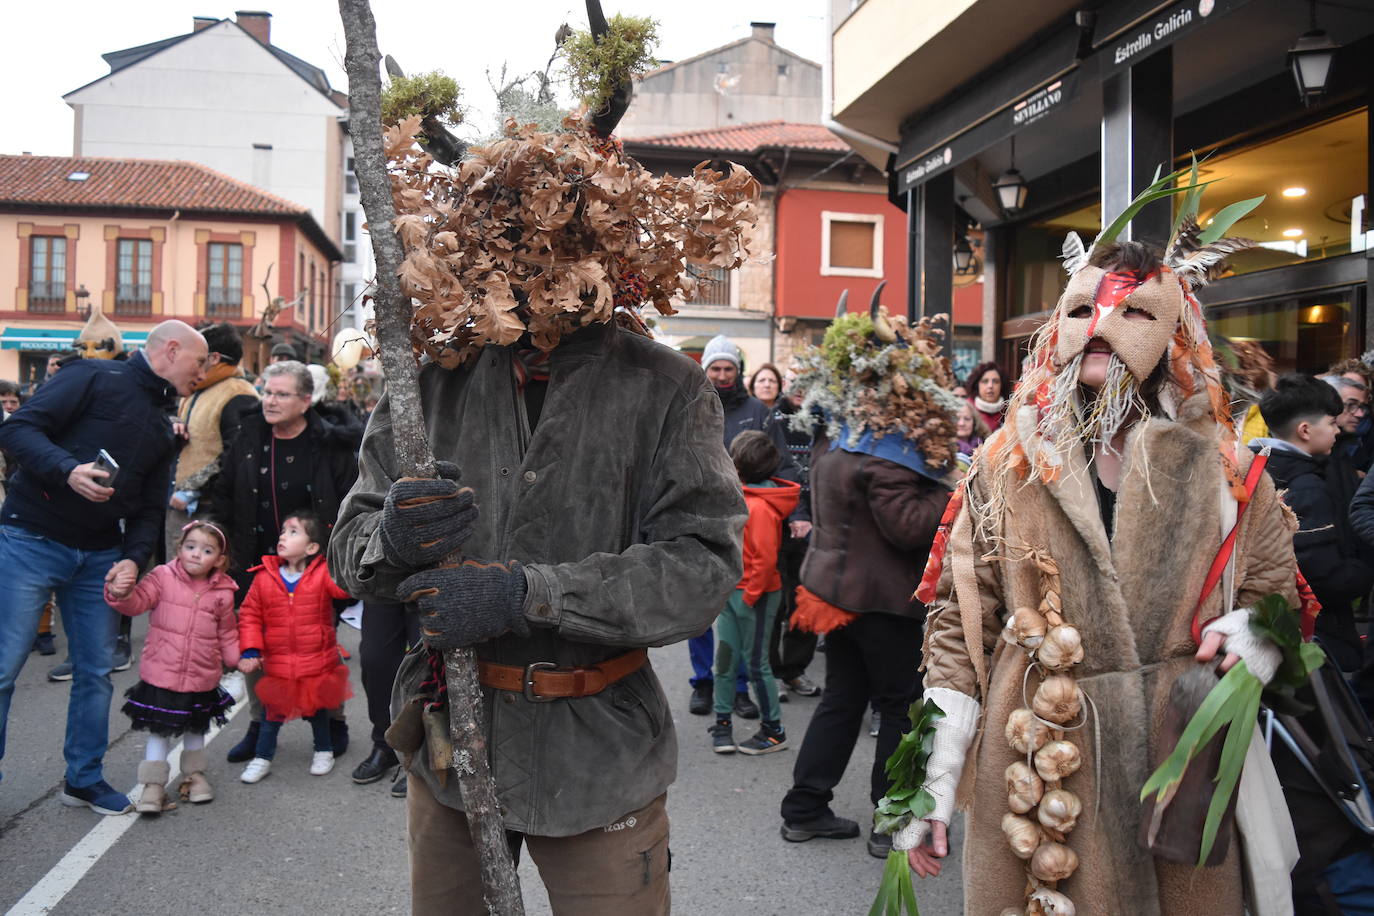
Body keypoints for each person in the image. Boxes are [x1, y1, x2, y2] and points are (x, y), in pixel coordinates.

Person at [330, 80, 751, 911]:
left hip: (598, 762)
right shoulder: (430, 386)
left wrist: (531, 591)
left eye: (558, 229)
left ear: (606, 236)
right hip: (453, 742)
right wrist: (396, 545)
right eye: (511, 230)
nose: (534, 253)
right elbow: (352, 540)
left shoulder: (667, 390)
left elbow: (702, 569)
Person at [906, 224, 1301, 915]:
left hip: (1181, 754)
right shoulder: (1005, 463)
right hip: (1039, 757)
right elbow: (957, 622)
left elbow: (1280, 595)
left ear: (1174, 330)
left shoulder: (1227, 469)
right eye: (1085, 309)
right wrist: (929, 778)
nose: (1103, 325)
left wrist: (1253, 637)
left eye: (1135, 311)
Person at [0, 320, 208, 814]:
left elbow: (149, 508)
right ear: (172, 350)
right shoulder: (93, 376)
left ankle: (84, 779)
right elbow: (16, 429)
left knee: (95, 673)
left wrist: (134, 561)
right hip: (29, 539)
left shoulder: (164, 423)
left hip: (98, 557)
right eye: (199, 363)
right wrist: (65, 470)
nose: (203, 372)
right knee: (4, 670)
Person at [778, 303, 956, 860]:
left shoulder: (841, 437)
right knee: (900, 708)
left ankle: (804, 809)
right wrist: (954, 490)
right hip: (881, 604)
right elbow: (907, 528)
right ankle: (892, 820)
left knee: (842, 701)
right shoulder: (887, 453)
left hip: (837, 596)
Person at [213, 360, 359, 763]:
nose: (269, 401)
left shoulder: (331, 442)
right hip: (256, 566)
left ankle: (333, 723)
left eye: (280, 394)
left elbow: (352, 504)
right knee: (257, 651)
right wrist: (218, 542)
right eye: (266, 391)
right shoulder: (249, 435)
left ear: (306, 400)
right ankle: (260, 727)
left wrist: (339, 559)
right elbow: (225, 491)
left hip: (315, 569)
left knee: (320, 654)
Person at [691, 334, 802, 719]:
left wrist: (798, 513)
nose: (722, 375)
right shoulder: (690, 407)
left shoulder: (758, 410)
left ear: (738, 372)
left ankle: (738, 688)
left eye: (728, 369)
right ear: (705, 370)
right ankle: (704, 683)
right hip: (698, 519)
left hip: (747, 524)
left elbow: (782, 462)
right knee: (700, 610)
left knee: (738, 613)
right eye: (715, 368)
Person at [105, 519, 240, 814]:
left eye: (206, 550)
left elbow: (227, 632)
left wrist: (235, 658)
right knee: (159, 730)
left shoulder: (223, 592)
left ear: (220, 560)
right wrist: (121, 594)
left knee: (195, 729)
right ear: (179, 548)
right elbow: (137, 603)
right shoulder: (162, 576)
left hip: (201, 676)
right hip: (162, 673)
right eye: (190, 547)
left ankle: (195, 777)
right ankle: (153, 786)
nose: (195, 554)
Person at [1255, 375, 1371, 674]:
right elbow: (1322, 575)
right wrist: (1365, 570)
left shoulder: (1256, 468)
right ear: (1305, 430)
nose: (1336, 430)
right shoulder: (1307, 485)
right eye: (1332, 423)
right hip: (1316, 634)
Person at [236, 511, 352, 783]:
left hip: (315, 662)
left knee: (317, 712)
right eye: (283, 532)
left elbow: (344, 590)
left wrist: (341, 558)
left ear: (311, 547)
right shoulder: (264, 577)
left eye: (293, 532)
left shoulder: (323, 574)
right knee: (271, 715)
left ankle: (324, 751)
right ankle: (262, 757)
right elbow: (250, 615)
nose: (282, 537)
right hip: (277, 664)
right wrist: (250, 649)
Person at [710, 431, 800, 755]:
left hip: (754, 595)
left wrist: (749, 596)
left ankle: (774, 730)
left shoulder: (759, 507)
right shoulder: (742, 496)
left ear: (740, 463)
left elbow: (765, 559)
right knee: (726, 659)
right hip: (733, 593)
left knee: (757, 664)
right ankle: (721, 723)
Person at [167, 323, 260, 555]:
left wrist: (191, 490)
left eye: (199, 358)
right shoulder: (200, 389)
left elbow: (236, 453)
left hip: (207, 509)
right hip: (184, 506)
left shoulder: (238, 393)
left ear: (215, 358)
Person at [770, 370, 821, 700]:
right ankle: (768, 671)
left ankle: (795, 670)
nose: (800, 389)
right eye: (795, 382)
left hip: (817, 524)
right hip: (776, 522)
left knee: (807, 601)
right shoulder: (770, 419)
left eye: (808, 382)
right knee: (773, 603)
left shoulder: (825, 422)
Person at [965, 360, 1007, 432]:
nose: (990, 386)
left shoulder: (1010, 411)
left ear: (1002, 385)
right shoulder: (966, 409)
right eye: (985, 381)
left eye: (995, 381)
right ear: (977, 385)